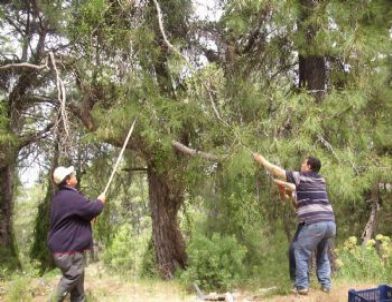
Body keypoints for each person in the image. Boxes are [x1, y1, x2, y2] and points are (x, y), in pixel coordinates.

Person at [253, 154, 336, 295]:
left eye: (303, 164)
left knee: (299, 250)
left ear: (309, 166)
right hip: (329, 223)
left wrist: (263, 161)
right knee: (322, 254)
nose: (301, 165)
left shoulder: (301, 177)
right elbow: (296, 204)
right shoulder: (320, 180)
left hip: (315, 223)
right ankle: (326, 285)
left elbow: (276, 171)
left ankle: (302, 286)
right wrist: (282, 189)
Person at [48, 166, 106, 302]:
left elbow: (75, 216)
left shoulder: (60, 197)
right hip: (68, 250)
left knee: (78, 289)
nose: (75, 175)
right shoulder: (71, 196)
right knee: (72, 276)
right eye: (72, 174)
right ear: (68, 181)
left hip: (67, 248)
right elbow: (93, 209)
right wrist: (100, 201)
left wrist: (89, 216)